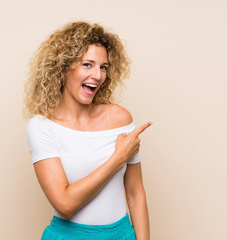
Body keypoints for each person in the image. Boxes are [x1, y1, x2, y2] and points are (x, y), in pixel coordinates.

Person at [24, 21, 151, 240]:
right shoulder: (42, 127)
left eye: (103, 67)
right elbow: (65, 204)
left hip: (121, 234)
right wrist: (118, 157)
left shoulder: (120, 118)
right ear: (64, 67)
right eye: (87, 64)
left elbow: (135, 192)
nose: (98, 75)